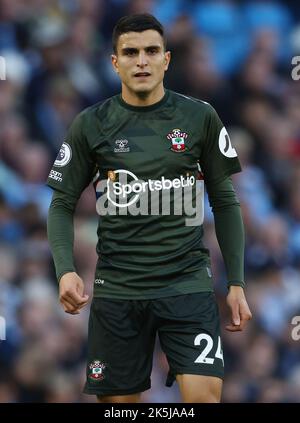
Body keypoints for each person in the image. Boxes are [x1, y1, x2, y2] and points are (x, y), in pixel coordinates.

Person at [47, 13, 252, 403]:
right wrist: (65, 271)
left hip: (186, 283)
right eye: (131, 52)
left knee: (204, 398)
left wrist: (237, 282)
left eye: (151, 51)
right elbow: (62, 203)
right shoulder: (91, 124)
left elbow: (225, 201)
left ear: (166, 59)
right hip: (118, 289)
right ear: (115, 62)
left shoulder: (199, 117)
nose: (141, 60)